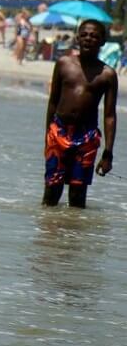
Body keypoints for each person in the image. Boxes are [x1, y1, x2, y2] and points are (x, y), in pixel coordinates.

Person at [43, 19, 118, 208]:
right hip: (58, 132)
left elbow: (109, 115)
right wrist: (47, 136)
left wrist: (108, 153)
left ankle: (74, 227)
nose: (88, 39)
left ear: (102, 41)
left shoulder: (107, 74)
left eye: (94, 36)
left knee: (77, 193)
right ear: (77, 38)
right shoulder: (64, 64)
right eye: (84, 35)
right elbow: (53, 102)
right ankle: (48, 226)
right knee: (52, 189)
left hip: (87, 136)